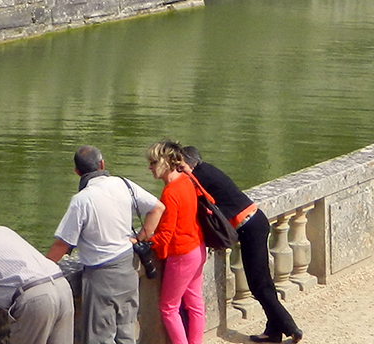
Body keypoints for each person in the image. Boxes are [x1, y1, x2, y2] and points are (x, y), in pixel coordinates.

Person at [181, 145, 302, 343]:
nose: (178, 170)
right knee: (263, 281)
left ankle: (290, 327)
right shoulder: (206, 171)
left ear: (190, 164)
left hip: (249, 227)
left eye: (181, 165)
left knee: (258, 285)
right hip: (255, 221)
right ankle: (273, 331)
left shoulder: (198, 177)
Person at [46, 144, 164, 344]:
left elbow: (63, 244)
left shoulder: (81, 200)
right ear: (102, 164)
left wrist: (42, 268)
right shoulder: (123, 184)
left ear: (77, 172)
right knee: (126, 332)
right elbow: (158, 208)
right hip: (128, 269)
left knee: (100, 336)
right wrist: (141, 237)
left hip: (101, 276)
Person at [142, 141, 205, 344]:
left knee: (168, 308)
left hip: (182, 254)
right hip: (197, 247)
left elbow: (165, 236)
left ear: (164, 163)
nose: (149, 167)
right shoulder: (187, 180)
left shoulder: (170, 192)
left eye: (152, 162)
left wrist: (143, 240)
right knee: (195, 304)